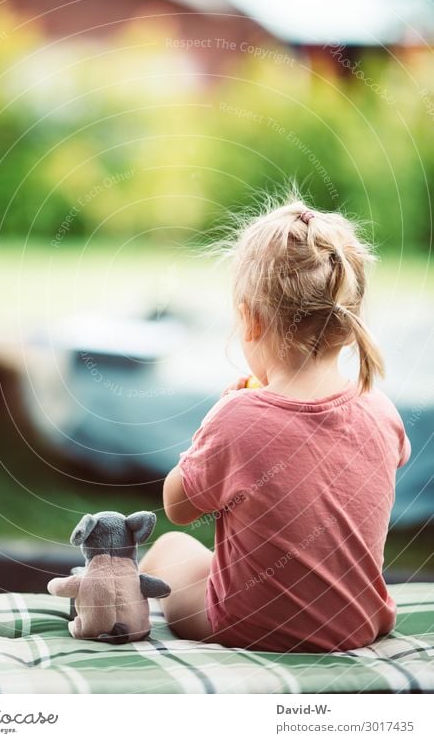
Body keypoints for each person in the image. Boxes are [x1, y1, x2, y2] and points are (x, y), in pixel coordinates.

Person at [139, 196, 411, 651]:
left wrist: (216, 422)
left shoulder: (237, 417)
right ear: (348, 323)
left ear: (251, 321)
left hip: (247, 626)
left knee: (171, 547)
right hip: (359, 624)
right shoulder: (381, 409)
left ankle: (112, 603)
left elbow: (178, 507)